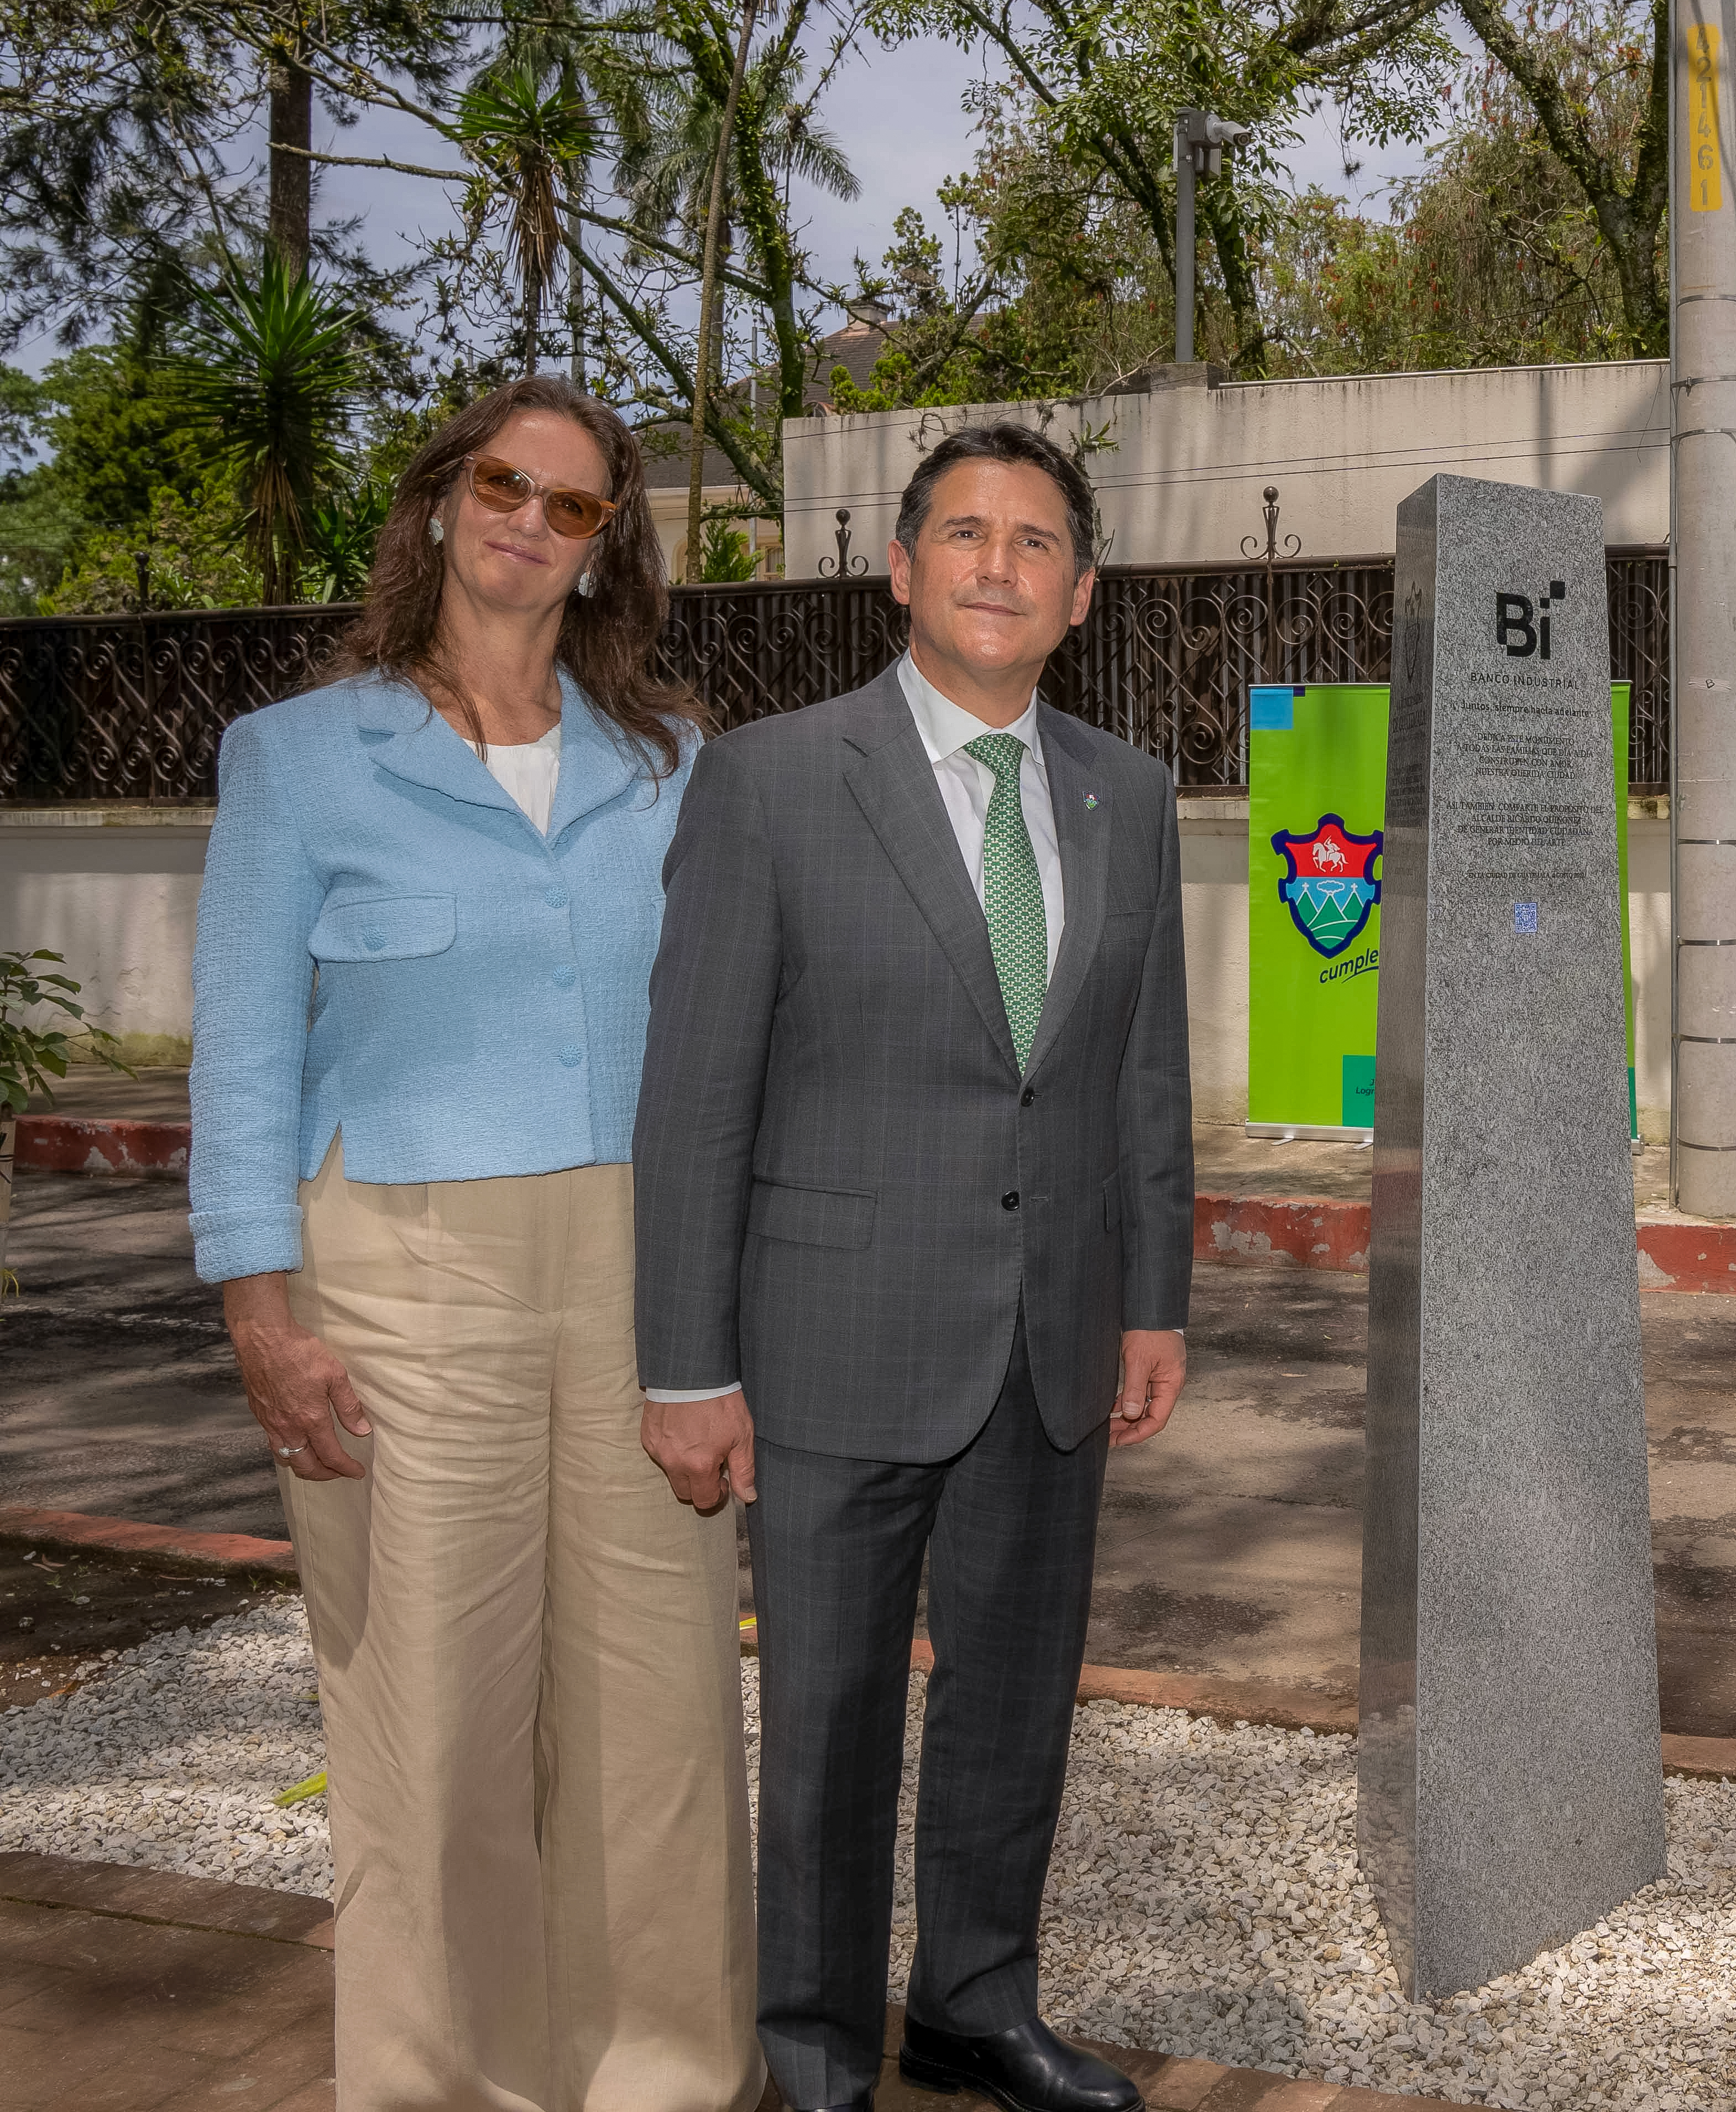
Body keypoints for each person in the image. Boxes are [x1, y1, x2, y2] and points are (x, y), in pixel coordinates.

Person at [190, 377, 755, 2110]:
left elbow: (738, 1035)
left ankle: (662, 2073)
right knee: (431, 1710)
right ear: (442, 503)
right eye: (504, 484)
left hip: (643, 1263)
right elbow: (242, 1047)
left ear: (606, 554)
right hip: (399, 1271)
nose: (529, 519)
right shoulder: (296, 757)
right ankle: (447, 2084)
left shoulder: (675, 765)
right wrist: (258, 1313)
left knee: (657, 1705)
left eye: (574, 505)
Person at [634, 419, 1194, 2112]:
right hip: (833, 1342)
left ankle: (975, 2004)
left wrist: (1155, 1298)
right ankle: (808, 2052)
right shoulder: (772, 780)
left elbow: (1141, 1076)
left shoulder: (1130, 794)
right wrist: (684, 1362)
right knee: (825, 1728)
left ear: (1080, 592)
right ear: (901, 568)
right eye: (966, 534)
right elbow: (696, 1092)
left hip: (1054, 1342)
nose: (998, 566)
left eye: (1036, 543)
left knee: (1015, 1704)